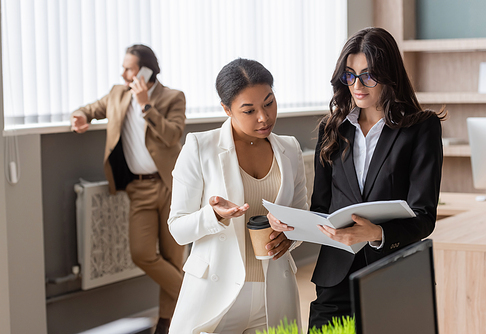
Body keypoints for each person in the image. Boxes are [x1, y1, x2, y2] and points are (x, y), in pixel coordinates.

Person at [268, 27, 445, 330]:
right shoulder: (333, 129)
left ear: (390, 76)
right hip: (334, 276)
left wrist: (374, 233)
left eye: (368, 75)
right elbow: (322, 207)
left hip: (393, 275)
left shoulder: (420, 128)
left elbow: (424, 217)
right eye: (350, 75)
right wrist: (293, 226)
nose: (357, 85)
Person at [167, 58, 308, 334]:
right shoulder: (199, 147)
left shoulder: (290, 149)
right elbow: (177, 229)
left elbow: (302, 217)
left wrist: (290, 236)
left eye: (269, 103)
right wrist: (213, 217)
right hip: (215, 296)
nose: (263, 117)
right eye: (249, 110)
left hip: (275, 294)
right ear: (226, 109)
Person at [71, 44, 186, 334]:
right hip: (139, 189)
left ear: (146, 70)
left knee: (174, 258)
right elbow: (90, 109)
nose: (123, 73)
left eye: (129, 68)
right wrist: (81, 116)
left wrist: (146, 105)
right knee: (142, 253)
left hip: (173, 186)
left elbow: (173, 136)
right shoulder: (116, 94)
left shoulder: (172, 97)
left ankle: (166, 323)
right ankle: (195, 294)